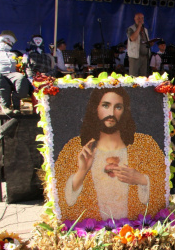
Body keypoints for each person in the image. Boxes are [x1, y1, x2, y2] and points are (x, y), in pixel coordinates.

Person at [55, 87, 166, 222]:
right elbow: (61, 200)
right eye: (106, 105)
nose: (111, 113)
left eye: (118, 107)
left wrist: (142, 180)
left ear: (125, 111)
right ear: (95, 108)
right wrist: (82, 172)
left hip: (136, 230)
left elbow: (162, 188)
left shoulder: (146, 146)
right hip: (91, 233)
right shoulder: (74, 148)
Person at [127, 12, 153, 77]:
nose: (140, 20)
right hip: (135, 56)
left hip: (144, 57)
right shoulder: (131, 28)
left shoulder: (145, 30)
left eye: (142, 18)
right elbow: (133, 38)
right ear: (135, 19)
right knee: (134, 76)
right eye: (138, 18)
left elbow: (145, 41)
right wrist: (139, 27)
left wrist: (150, 43)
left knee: (143, 77)